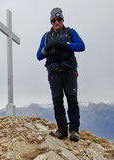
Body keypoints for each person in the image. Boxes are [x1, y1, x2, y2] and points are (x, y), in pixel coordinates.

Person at [37, 8, 85, 141]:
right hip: (54, 72)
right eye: (54, 20)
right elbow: (38, 56)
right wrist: (47, 48)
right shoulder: (46, 37)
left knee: (72, 99)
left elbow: (81, 46)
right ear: (51, 22)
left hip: (69, 70)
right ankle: (62, 131)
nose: (56, 22)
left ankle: (74, 130)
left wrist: (66, 44)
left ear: (62, 20)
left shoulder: (70, 32)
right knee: (57, 100)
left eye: (59, 19)